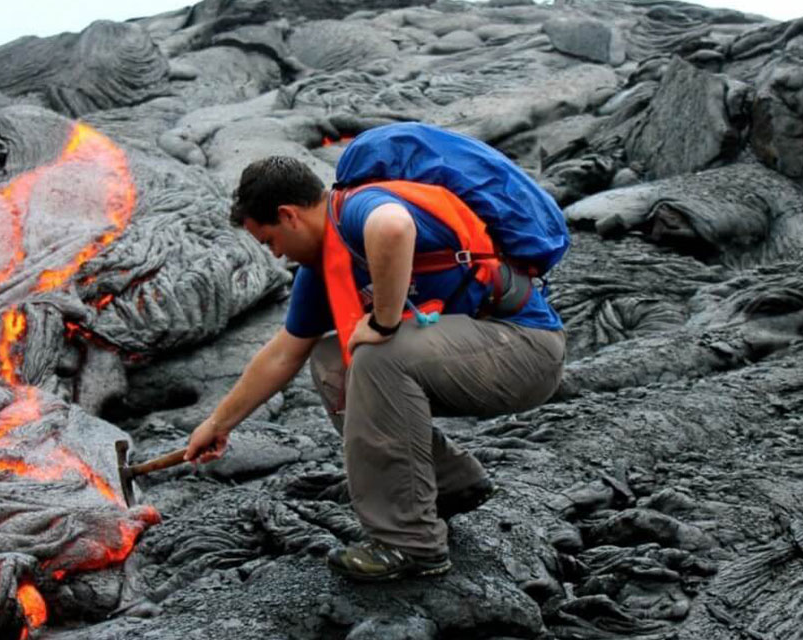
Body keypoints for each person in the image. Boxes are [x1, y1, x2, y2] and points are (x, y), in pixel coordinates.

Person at [184, 155, 566, 581]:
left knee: (378, 354)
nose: (275, 254)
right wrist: (218, 424)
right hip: (473, 357)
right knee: (332, 362)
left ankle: (409, 543)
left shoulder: (358, 210)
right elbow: (282, 354)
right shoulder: (324, 268)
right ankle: (449, 483)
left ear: (288, 215)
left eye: (269, 240)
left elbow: (394, 227)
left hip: (525, 349)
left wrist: (383, 321)